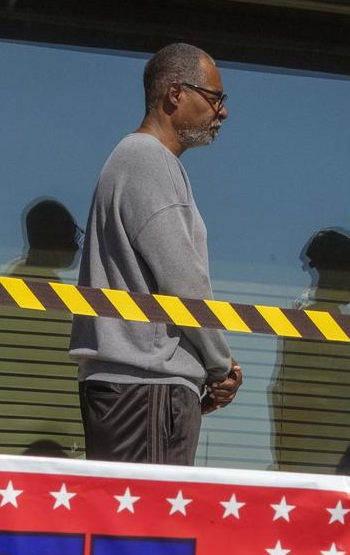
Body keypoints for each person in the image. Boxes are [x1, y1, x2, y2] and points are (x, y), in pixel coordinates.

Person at [68, 43, 243, 465]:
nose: (223, 113)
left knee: (131, 525)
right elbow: (184, 281)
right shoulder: (149, 160)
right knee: (149, 527)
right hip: (146, 386)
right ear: (176, 94)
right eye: (216, 98)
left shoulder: (133, 159)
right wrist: (221, 364)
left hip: (132, 387)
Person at [0, 198, 85, 456]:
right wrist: (81, 432)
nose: (75, 245)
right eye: (70, 234)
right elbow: (61, 370)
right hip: (38, 441)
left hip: (14, 434)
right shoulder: (43, 289)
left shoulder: (15, 280)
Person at [270, 228, 350, 474]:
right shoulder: (317, 319)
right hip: (326, 455)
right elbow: (298, 393)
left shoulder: (326, 317)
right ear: (329, 270)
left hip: (333, 450)